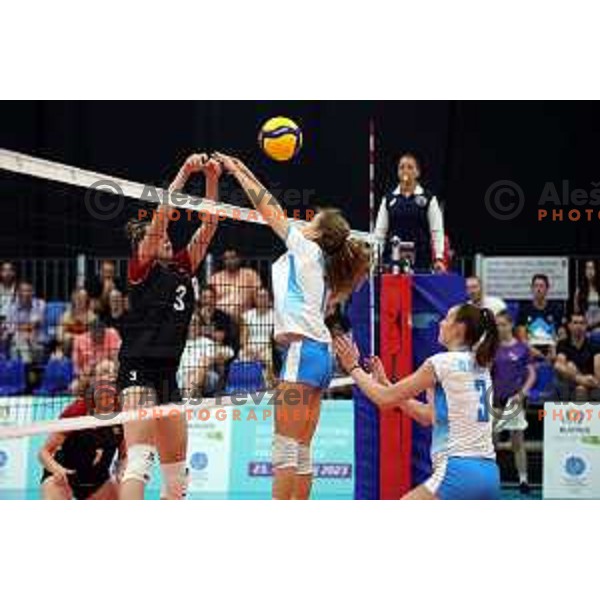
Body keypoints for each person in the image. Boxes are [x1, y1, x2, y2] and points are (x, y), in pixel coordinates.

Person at [215, 151, 370, 500]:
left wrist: (240, 171)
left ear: (318, 231)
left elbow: (267, 207)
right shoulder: (326, 266)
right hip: (321, 355)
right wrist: (242, 168)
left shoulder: (305, 250)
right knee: (300, 448)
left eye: (313, 218)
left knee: (285, 446)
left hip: (303, 352)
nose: (306, 220)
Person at [117, 153, 221, 500]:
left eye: (164, 237)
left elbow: (209, 226)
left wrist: (211, 177)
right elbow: (160, 219)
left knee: (177, 477)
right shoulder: (141, 268)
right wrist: (184, 172)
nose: (165, 238)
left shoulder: (182, 268)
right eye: (156, 237)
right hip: (138, 372)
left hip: (168, 375)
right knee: (139, 461)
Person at [334, 304, 500, 500]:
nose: (441, 322)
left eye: (447, 318)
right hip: (490, 472)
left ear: (460, 328)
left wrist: (352, 367)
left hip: (458, 469)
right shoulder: (480, 366)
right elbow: (427, 416)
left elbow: (383, 400)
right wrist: (386, 384)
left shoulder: (442, 363)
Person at [39, 359, 125, 500]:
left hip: (97, 481)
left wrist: (122, 470)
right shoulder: (77, 409)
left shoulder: (123, 413)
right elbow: (43, 453)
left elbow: (124, 455)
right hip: (65, 475)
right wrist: (58, 471)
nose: (110, 375)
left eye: (113, 372)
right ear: (94, 380)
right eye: (104, 372)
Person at [373, 153, 445, 272]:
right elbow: (380, 232)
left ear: (417, 173)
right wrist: (376, 257)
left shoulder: (429, 198)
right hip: (392, 259)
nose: (405, 170)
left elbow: (436, 231)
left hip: (421, 259)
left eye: (410, 167)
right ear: (397, 172)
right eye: (402, 167)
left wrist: (439, 258)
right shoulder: (388, 199)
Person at [491, 310, 536, 494]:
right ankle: (492, 481)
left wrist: (523, 393)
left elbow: (532, 373)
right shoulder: (491, 348)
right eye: (497, 325)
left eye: (503, 324)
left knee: (517, 443)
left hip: (515, 401)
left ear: (510, 325)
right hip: (494, 401)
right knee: (491, 445)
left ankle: (523, 481)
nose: (500, 328)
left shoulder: (522, 348)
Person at [178, 311, 235, 397]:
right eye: (190, 324)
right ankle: (191, 394)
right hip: (181, 376)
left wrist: (214, 358)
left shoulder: (206, 342)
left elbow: (230, 352)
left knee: (203, 363)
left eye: (195, 323)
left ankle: (187, 399)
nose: (192, 327)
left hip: (206, 377)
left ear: (200, 326)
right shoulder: (180, 343)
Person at [554, 312, 600, 401]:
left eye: (581, 323)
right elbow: (558, 365)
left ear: (586, 326)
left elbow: (598, 366)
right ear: (569, 326)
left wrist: (594, 382)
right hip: (572, 381)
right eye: (575, 323)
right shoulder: (563, 344)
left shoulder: (595, 344)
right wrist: (580, 378)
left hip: (592, 381)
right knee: (570, 365)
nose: (578, 326)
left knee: (581, 389)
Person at [516, 274, 563, 357]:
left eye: (541, 286)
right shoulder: (525, 309)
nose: (538, 289)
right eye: (536, 286)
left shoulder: (556, 308)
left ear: (547, 289)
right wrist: (531, 349)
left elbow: (561, 333)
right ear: (532, 288)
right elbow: (522, 337)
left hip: (551, 348)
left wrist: (554, 347)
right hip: (531, 349)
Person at [209, 248, 261, 320]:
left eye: (233, 258)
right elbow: (209, 301)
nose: (230, 261)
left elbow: (259, 298)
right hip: (220, 320)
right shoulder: (215, 278)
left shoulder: (250, 274)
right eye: (226, 259)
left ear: (239, 259)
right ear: (223, 261)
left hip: (244, 318)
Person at [4, 281, 46, 364]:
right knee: (19, 341)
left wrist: (20, 327)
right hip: (18, 341)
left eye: (28, 291)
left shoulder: (40, 304)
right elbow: (10, 327)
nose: (26, 293)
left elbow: (35, 324)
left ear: (33, 292)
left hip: (37, 342)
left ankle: (25, 367)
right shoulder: (12, 307)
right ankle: (26, 367)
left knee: (25, 339)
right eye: (23, 291)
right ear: (18, 293)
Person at [240, 287, 275, 384]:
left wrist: (261, 352)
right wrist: (248, 349)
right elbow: (243, 339)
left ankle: (270, 386)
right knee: (243, 357)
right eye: (259, 296)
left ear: (269, 299)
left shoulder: (275, 316)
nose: (262, 299)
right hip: (250, 348)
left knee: (268, 358)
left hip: (267, 347)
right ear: (255, 299)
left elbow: (274, 340)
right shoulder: (247, 315)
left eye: (264, 296)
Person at [57, 288, 96, 352]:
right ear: (74, 300)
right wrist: (71, 337)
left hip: (85, 349)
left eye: (83, 298)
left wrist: (78, 339)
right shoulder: (66, 315)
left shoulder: (92, 317)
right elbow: (59, 335)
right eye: (78, 298)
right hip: (68, 348)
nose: (80, 301)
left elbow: (94, 337)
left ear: (86, 300)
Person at [573, 259, 600, 342]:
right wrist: (583, 325)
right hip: (584, 326)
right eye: (587, 268)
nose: (590, 271)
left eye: (592, 268)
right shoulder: (579, 290)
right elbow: (576, 311)